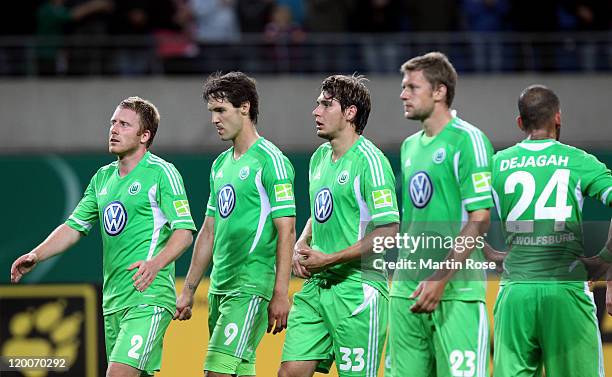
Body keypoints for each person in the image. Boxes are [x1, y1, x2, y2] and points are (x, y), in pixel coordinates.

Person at [10, 96, 196, 377]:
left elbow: (184, 233)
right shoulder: (102, 179)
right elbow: (74, 227)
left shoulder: (162, 173)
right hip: (114, 302)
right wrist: (37, 254)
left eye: (124, 124)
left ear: (144, 135)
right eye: (113, 123)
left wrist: (155, 264)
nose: (114, 129)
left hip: (148, 298)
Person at [173, 71, 296, 377]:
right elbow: (208, 231)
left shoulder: (271, 161)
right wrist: (189, 290)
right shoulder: (220, 165)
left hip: (251, 284)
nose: (214, 119)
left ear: (245, 107)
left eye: (220, 110)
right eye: (212, 112)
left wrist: (281, 292)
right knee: (238, 371)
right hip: (220, 286)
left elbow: (287, 230)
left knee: (216, 371)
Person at [485, 85, 612, 377]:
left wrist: (489, 253)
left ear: (520, 122)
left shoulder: (496, 164)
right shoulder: (578, 160)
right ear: (558, 118)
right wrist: (605, 260)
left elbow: (461, 212)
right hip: (565, 290)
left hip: (515, 293)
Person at [278, 74, 400, 377]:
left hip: (358, 290)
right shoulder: (319, 158)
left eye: (326, 104)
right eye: (318, 104)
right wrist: (301, 243)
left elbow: (388, 232)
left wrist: (329, 259)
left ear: (350, 113)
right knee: (289, 373)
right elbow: (321, 212)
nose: (316, 111)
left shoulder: (371, 161)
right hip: (317, 289)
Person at [389, 52, 494, 377]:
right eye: (404, 87)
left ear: (439, 92)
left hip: (456, 293)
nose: (403, 94)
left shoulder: (468, 140)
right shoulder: (409, 147)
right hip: (407, 292)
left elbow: (479, 219)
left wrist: (439, 278)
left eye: (412, 87)